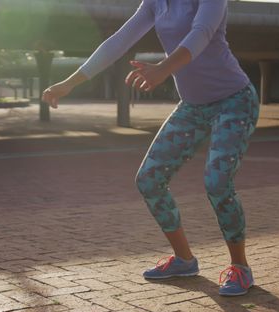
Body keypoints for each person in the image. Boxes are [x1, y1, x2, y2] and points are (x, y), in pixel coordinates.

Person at [42, 0, 260, 296]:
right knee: (150, 180)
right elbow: (118, 41)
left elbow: (201, 33)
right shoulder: (154, 2)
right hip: (193, 107)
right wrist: (70, 83)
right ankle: (184, 260)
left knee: (217, 182)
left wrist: (162, 69)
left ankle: (240, 268)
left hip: (234, 100)